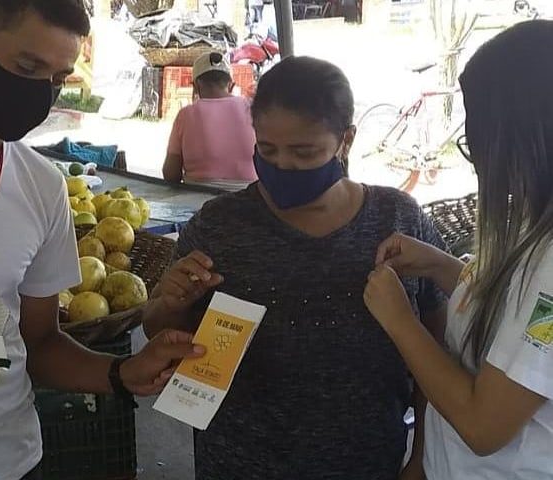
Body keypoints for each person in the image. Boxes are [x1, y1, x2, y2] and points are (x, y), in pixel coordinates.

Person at [0, 1, 204, 479]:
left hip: (13, 461)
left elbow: (40, 342)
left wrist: (123, 372)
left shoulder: (41, 185)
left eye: (56, 79)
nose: (39, 94)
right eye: (26, 67)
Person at [145, 56, 447, 480]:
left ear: (345, 140)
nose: (283, 166)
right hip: (237, 462)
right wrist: (171, 304)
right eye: (267, 149)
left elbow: (439, 351)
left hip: (368, 461)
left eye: (304, 152)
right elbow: (157, 330)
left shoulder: (398, 221)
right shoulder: (218, 226)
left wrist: (422, 459)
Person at [364, 20, 553, 479]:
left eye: (478, 144)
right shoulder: (536, 212)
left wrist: (401, 322)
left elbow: (482, 426)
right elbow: (515, 306)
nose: (478, 165)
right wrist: (443, 267)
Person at [163, 51, 257, 191]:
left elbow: (171, 173)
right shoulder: (252, 109)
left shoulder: (185, 115)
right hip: (247, 193)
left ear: (196, 86)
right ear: (231, 85)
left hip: (198, 195)